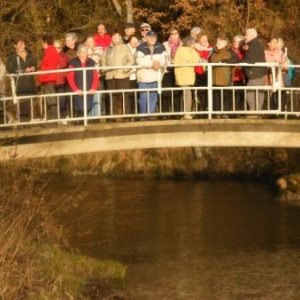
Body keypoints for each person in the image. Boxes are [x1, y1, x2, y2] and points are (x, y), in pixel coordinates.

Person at [102, 32, 134, 119]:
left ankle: (127, 116)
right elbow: (103, 60)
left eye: (116, 36)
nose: (114, 37)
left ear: (120, 37)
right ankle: (112, 117)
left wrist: (125, 69)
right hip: (110, 76)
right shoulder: (107, 49)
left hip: (122, 76)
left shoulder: (125, 47)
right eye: (113, 36)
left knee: (124, 96)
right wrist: (104, 69)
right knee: (112, 97)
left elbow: (131, 60)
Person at [136, 30, 167, 116]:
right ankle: (143, 115)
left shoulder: (161, 46)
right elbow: (139, 60)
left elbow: (164, 58)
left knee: (153, 97)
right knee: (143, 98)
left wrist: (160, 64)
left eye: (154, 37)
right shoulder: (140, 47)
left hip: (155, 76)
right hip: (143, 77)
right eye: (150, 37)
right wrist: (151, 64)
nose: (152, 39)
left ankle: (151, 114)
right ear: (146, 38)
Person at [7, 36, 37, 121]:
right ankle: (23, 124)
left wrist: (33, 68)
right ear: (15, 46)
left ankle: (28, 123)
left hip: (30, 84)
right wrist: (24, 70)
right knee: (23, 106)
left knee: (30, 106)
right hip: (20, 85)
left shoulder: (30, 55)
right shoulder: (12, 57)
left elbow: (35, 64)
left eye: (23, 43)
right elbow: (10, 70)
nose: (21, 46)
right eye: (19, 44)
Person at [67, 44, 99, 118]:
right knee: (80, 108)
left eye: (86, 52)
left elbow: (95, 76)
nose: (86, 54)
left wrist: (94, 87)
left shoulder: (91, 62)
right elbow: (70, 77)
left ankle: (81, 120)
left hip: (89, 89)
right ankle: (79, 121)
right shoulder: (72, 63)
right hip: (78, 89)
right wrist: (76, 89)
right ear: (78, 53)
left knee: (89, 107)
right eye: (84, 52)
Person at [173, 36, 200, 119]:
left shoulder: (192, 51)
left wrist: (188, 61)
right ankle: (186, 113)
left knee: (186, 94)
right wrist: (185, 62)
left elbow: (197, 59)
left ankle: (185, 113)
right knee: (187, 94)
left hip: (188, 75)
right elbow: (176, 61)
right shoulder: (181, 50)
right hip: (182, 75)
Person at [242, 28, 267, 113]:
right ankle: (258, 110)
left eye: (246, 35)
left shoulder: (254, 45)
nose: (245, 37)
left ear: (252, 35)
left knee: (250, 92)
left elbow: (250, 59)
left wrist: (241, 62)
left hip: (255, 73)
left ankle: (254, 110)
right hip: (258, 72)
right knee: (258, 91)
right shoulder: (255, 44)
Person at [37, 35, 60, 120]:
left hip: (48, 79)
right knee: (49, 99)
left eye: (42, 42)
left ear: (46, 42)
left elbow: (49, 67)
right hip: (48, 78)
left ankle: (53, 119)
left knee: (51, 99)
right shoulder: (50, 51)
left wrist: (40, 78)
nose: (42, 44)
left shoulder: (50, 51)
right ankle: (51, 118)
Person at [210, 37, 233, 117]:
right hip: (215, 79)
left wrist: (221, 55)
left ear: (224, 45)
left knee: (225, 97)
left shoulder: (227, 53)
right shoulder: (214, 53)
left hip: (224, 79)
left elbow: (217, 59)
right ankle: (217, 113)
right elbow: (214, 61)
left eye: (218, 43)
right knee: (216, 97)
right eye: (216, 43)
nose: (216, 45)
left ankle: (225, 113)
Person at [162, 27, 182, 115]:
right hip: (167, 70)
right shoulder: (165, 44)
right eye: (172, 33)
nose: (174, 35)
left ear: (178, 34)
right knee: (166, 92)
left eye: (176, 33)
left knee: (177, 92)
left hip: (178, 69)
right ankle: (165, 113)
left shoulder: (182, 44)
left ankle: (176, 113)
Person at [194, 32, 213, 112]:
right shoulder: (195, 48)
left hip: (208, 72)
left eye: (205, 39)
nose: (204, 41)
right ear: (199, 40)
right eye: (202, 39)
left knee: (208, 92)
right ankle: (200, 111)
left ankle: (208, 110)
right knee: (199, 93)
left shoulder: (211, 48)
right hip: (197, 72)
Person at [84, 35, 102, 117]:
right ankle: (89, 117)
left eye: (92, 41)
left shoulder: (99, 50)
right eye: (89, 42)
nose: (91, 43)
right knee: (88, 99)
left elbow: (101, 61)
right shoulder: (83, 52)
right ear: (86, 43)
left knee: (97, 98)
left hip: (97, 77)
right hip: (87, 78)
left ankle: (97, 117)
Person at [229, 35, 246, 113]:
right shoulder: (229, 51)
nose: (236, 43)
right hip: (233, 76)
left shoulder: (244, 52)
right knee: (233, 95)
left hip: (242, 76)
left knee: (241, 95)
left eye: (238, 42)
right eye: (235, 41)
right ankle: (233, 112)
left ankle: (241, 112)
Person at [54, 39, 69, 119]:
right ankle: (54, 117)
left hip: (61, 81)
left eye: (59, 47)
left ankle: (63, 116)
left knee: (62, 99)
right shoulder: (48, 56)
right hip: (52, 81)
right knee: (52, 100)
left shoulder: (64, 56)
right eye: (55, 48)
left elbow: (63, 64)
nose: (57, 49)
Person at [127, 35, 140, 115]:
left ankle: (136, 113)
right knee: (129, 96)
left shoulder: (139, 50)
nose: (135, 42)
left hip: (137, 76)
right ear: (129, 41)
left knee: (136, 96)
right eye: (133, 40)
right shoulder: (126, 50)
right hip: (129, 76)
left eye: (136, 40)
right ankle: (129, 114)